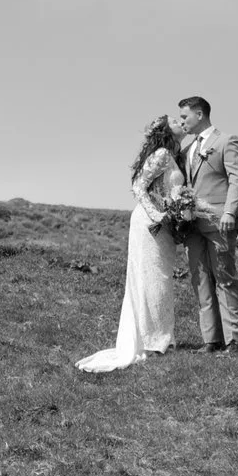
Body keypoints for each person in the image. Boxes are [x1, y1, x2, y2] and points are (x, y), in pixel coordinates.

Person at [75, 115, 192, 371]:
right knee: (152, 278)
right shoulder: (161, 153)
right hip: (148, 222)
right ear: (164, 129)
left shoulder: (176, 155)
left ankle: (161, 337)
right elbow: (139, 186)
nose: (181, 122)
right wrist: (158, 215)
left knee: (161, 276)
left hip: (165, 224)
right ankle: (153, 340)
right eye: (174, 119)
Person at [174, 95, 238, 354]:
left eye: (185, 116)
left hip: (219, 221)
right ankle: (212, 339)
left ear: (199, 114)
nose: (182, 122)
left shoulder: (227, 141)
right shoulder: (186, 149)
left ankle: (237, 341)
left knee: (225, 279)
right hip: (192, 225)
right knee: (200, 279)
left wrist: (231, 212)